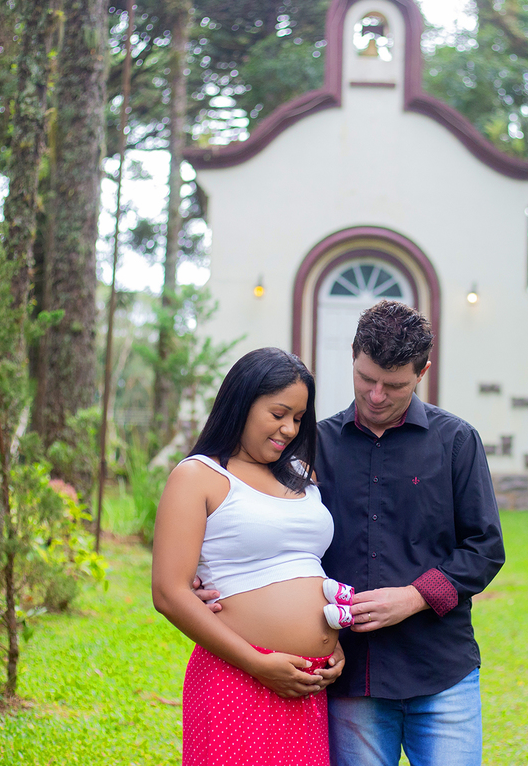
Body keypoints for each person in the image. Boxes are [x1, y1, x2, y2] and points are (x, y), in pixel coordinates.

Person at [317, 300, 505, 766]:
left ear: (421, 372)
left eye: (394, 384)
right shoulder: (315, 445)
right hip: (350, 677)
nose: (377, 395)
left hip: (441, 671)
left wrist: (415, 597)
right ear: (354, 358)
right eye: (366, 379)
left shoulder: (457, 441)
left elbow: (485, 548)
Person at [152, 347, 345, 766]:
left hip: (305, 685)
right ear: (242, 401)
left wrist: (334, 640)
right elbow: (169, 592)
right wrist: (258, 663)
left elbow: (308, 571)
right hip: (236, 678)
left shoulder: (303, 477)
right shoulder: (199, 476)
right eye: (278, 413)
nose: (289, 428)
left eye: (298, 418)